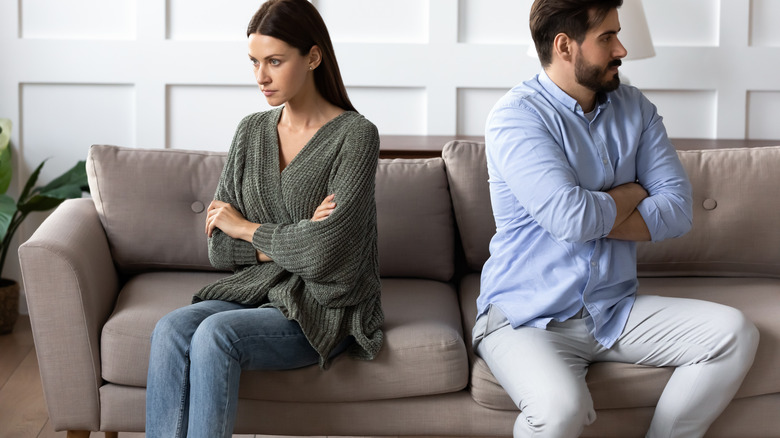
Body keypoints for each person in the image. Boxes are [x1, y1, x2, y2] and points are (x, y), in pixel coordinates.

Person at [473, 1, 759, 437]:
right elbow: (571, 219)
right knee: (561, 409)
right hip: (528, 316)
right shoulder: (517, 118)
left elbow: (678, 212)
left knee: (735, 333)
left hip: (613, 309)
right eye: (607, 37)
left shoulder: (635, 108)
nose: (622, 49)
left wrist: (588, 210)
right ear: (565, 46)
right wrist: (632, 191)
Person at [145, 1, 383, 437]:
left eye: (275, 61)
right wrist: (297, 236)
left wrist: (245, 227)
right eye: (254, 62)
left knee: (215, 335)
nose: (261, 77)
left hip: (321, 304)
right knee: (171, 328)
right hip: (255, 292)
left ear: (312, 57)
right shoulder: (250, 131)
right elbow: (219, 247)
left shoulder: (356, 135)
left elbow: (328, 255)